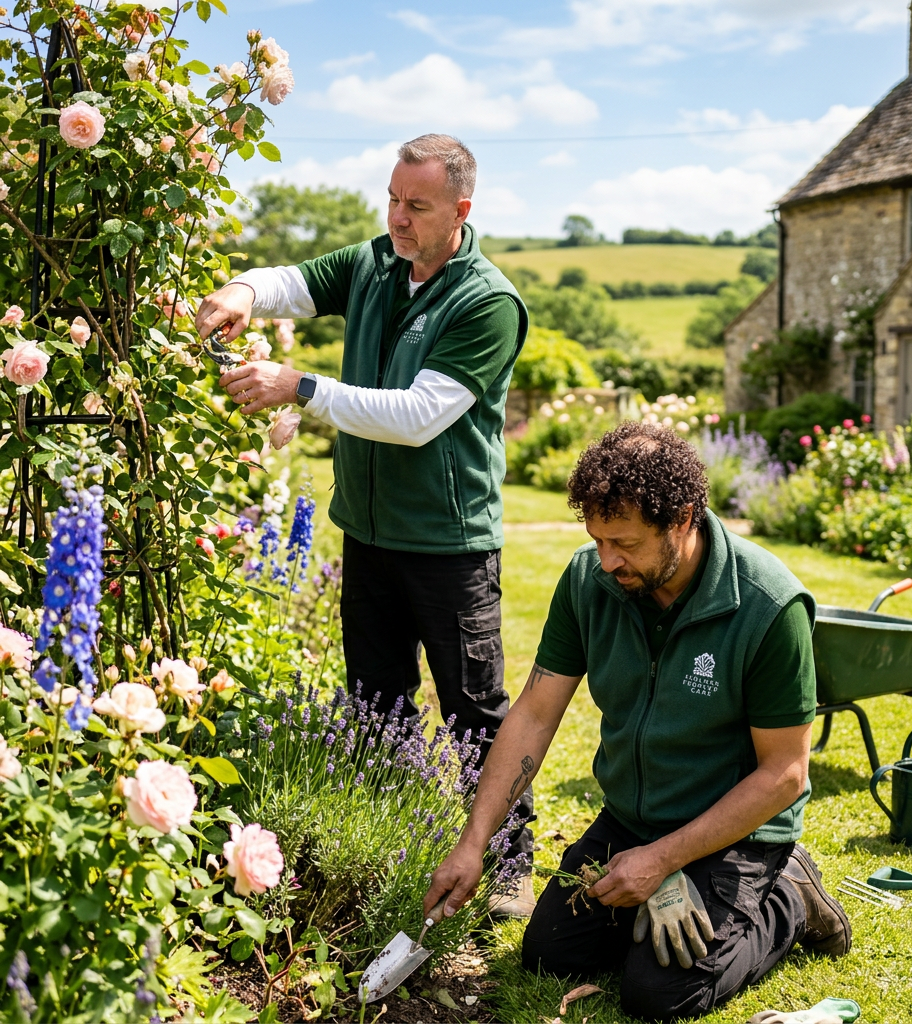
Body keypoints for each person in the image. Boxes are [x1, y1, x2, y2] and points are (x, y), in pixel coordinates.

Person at [194, 134, 535, 916]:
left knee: (473, 711)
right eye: (392, 198)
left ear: (461, 211)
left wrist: (300, 385)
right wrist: (246, 290)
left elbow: (418, 417)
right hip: (369, 533)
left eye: (417, 206)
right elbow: (299, 280)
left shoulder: (486, 301)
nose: (399, 217)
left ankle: (509, 861)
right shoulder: (379, 261)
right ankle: (395, 844)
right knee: (374, 701)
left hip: (448, 542)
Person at [424, 421, 852, 1021]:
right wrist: (475, 843)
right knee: (549, 954)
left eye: (624, 543)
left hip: (733, 833)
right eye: (597, 539)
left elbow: (784, 774)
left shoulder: (768, 605)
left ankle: (787, 897)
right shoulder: (587, 581)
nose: (606, 561)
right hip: (629, 821)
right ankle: (654, 899)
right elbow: (535, 712)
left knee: (657, 995)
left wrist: (664, 859)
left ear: (683, 518)